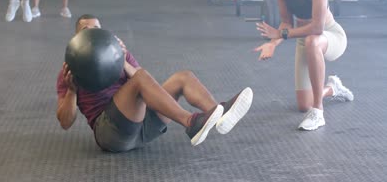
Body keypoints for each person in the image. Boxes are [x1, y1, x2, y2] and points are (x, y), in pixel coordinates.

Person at [56, 14, 253, 152]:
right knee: (140, 79)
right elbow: (65, 123)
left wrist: (122, 62)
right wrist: (72, 91)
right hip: (112, 135)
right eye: (86, 30)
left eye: (96, 29)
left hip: (143, 126)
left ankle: (219, 113)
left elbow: (147, 86)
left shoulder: (119, 54)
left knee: (183, 77)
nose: (92, 33)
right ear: (77, 38)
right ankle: (190, 122)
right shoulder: (70, 72)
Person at [254, 0, 353, 131]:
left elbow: (316, 27)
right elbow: (286, 23)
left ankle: (318, 112)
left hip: (329, 35)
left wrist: (282, 35)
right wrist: (273, 44)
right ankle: (333, 88)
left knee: (312, 40)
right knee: (302, 105)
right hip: (305, 38)